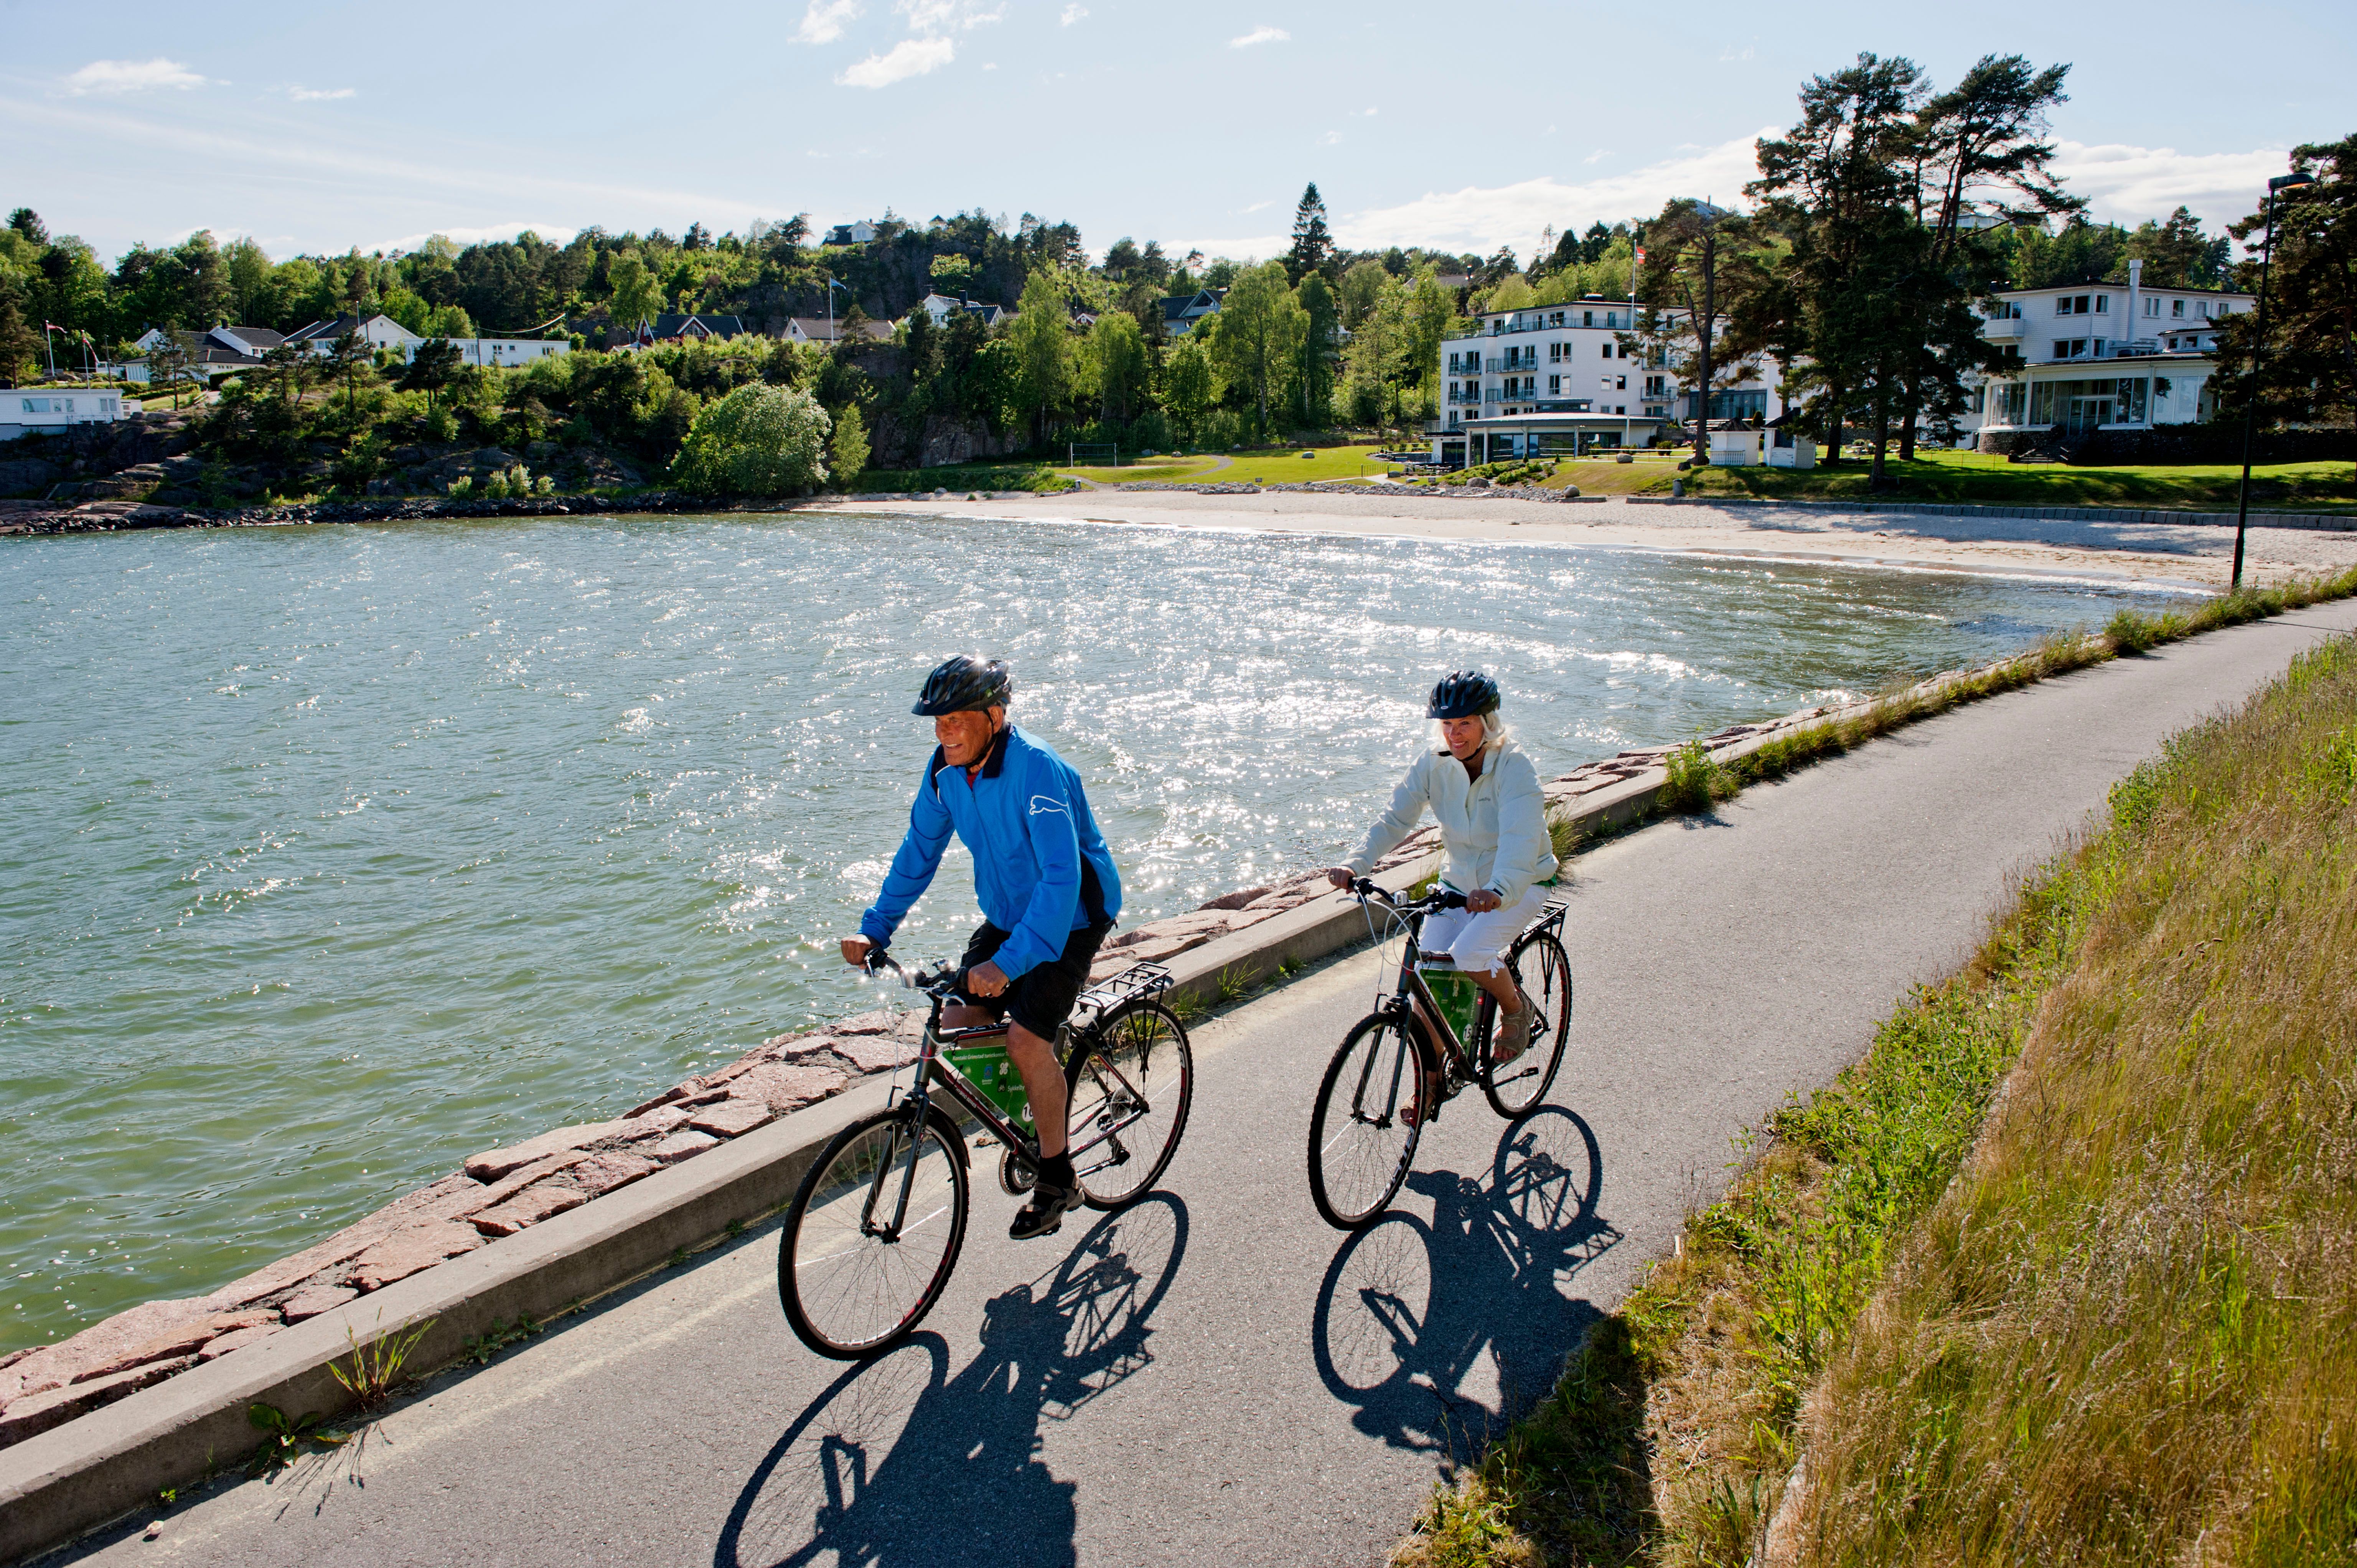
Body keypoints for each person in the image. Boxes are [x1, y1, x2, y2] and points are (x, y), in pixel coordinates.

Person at [842, 655, 1124, 1240]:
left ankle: (1057, 1172)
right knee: (959, 1014)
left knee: (1025, 1035)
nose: (943, 732)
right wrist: (876, 930)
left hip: (1070, 917)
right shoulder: (945, 773)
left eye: (955, 720)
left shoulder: (1038, 771)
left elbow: (1060, 880)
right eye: (937, 722)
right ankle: (1036, 1098)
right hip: (1007, 913)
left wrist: (1009, 964)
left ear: (994, 716)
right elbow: (919, 852)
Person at [1328, 669, 1558, 1068]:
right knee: (1428, 978)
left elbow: (1521, 840)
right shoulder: (1433, 764)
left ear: (1488, 723)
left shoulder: (1514, 768)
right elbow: (1395, 819)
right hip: (1457, 887)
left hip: (1520, 884)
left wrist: (1500, 889)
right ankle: (1430, 1084)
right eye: (1447, 724)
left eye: (1465, 723)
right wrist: (1355, 862)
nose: (1455, 734)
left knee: (1470, 952)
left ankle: (1515, 1007)